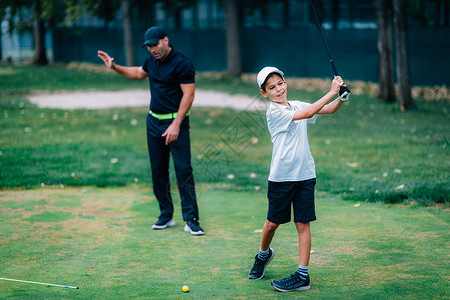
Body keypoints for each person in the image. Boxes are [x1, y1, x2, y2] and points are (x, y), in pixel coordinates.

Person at [248, 66, 349, 291]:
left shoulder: (298, 104)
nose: (278, 89)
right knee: (272, 223)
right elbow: (307, 113)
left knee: (303, 223)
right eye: (271, 87)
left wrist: (341, 97)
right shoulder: (273, 112)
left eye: (280, 83)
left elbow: (329, 109)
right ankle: (263, 255)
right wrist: (332, 91)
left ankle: (303, 275)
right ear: (265, 93)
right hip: (281, 178)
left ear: (285, 82)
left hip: (305, 175)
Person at [97, 26, 204, 235]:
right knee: (158, 170)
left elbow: (188, 96)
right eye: (148, 46)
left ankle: (191, 219)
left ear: (165, 40)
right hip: (154, 122)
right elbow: (138, 73)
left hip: (176, 124)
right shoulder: (152, 61)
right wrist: (114, 67)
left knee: (183, 170)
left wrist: (176, 124)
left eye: (155, 45)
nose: (152, 49)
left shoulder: (183, 63)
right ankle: (166, 214)